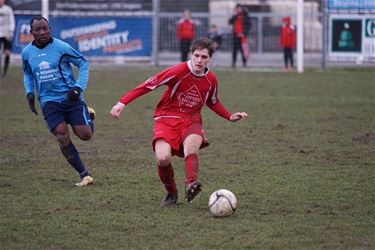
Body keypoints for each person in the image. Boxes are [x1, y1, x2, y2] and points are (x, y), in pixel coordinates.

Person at [110, 38, 248, 206]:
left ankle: (191, 184)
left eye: (204, 57)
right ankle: (171, 192)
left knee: (191, 148)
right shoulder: (179, 70)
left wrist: (229, 116)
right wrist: (122, 103)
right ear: (191, 55)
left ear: (210, 58)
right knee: (163, 158)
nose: (199, 60)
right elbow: (149, 85)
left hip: (192, 119)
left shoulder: (211, 79)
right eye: (196, 55)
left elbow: (212, 101)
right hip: (166, 117)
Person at [22, 16, 95, 186]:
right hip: (48, 101)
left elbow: (83, 63)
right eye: (38, 29)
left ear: (49, 29)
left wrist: (78, 87)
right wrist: (29, 93)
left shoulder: (61, 47)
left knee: (85, 135)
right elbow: (27, 73)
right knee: (62, 136)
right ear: (31, 32)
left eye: (45, 28)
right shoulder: (27, 53)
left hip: (70, 97)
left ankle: (88, 113)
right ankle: (84, 175)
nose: (42, 32)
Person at [0, 0, 15, 77]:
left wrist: (10, 31)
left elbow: (12, 21)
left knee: (7, 53)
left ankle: (4, 72)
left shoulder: (8, 9)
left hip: (6, 34)